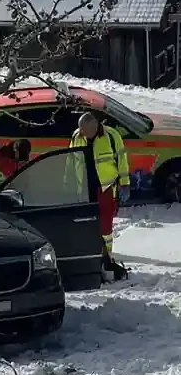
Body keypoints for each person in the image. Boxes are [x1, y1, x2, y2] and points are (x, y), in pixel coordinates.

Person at [69, 112, 130, 281]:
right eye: (82, 131)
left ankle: (107, 258)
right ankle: (91, 256)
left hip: (106, 188)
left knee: (105, 226)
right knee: (87, 224)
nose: (85, 134)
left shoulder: (111, 135)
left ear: (95, 127)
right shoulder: (77, 136)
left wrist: (125, 183)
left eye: (88, 131)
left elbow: (122, 159)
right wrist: (69, 183)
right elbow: (70, 160)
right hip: (84, 188)